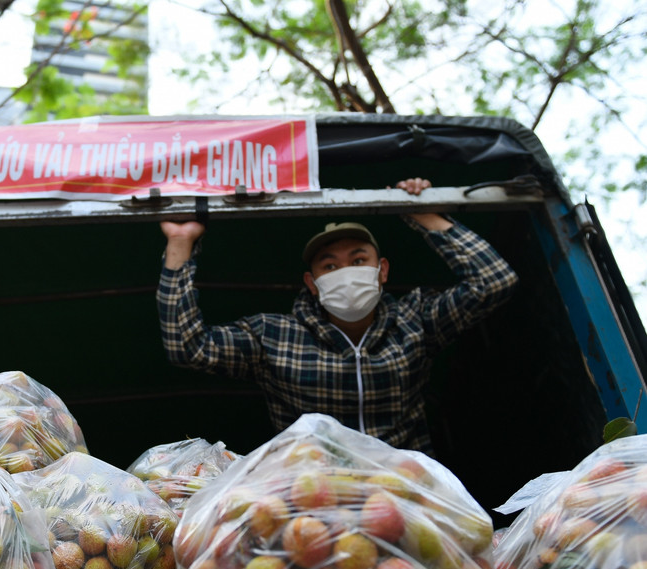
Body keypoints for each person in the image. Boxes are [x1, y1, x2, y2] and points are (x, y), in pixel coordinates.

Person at [156, 178, 519, 455]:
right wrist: (181, 241)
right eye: (330, 266)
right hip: (312, 497)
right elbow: (188, 347)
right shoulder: (273, 335)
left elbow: (494, 281)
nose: (346, 272)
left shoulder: (416, 319)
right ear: (312, 284)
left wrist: (423, 215)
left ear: (383, 270)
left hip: (407, 493)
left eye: (359, 261)